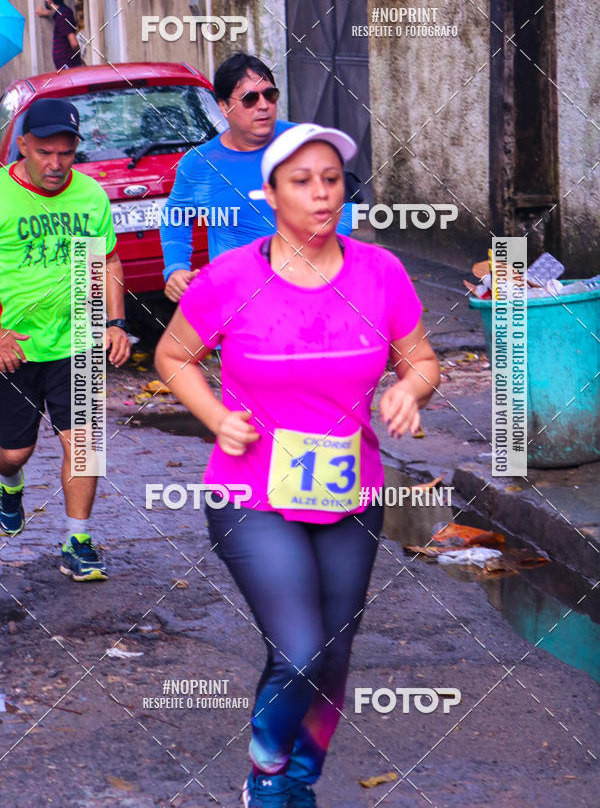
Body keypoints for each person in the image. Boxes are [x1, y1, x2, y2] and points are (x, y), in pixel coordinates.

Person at [155, 123, 440, 806]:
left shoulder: (380, 272)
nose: (321, 194)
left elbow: (422, 358)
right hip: (252, 493)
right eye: (302, 181)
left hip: (351, 493)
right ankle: (265, 777)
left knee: (334, 654)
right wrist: (217, 417)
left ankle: (300, 783)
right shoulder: (231, 277)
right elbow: (173, 356)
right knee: (303, 651)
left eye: (332, 180)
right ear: (271, 195)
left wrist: (409, 387)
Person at [0, 98, 130, 580]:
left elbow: (108, 260)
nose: (55, 164)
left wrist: (114, 324)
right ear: (23, 146)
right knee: (14, 451)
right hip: (15, 345)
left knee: (85, 443)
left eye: (66, 153)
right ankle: (9, 483)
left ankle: (78, 540)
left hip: (78, 336)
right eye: (45, 152)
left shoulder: (91, 196)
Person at [159, 52, 354, 303]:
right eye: (250, 98)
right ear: (223, 107)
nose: (263, 105)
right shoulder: (199, 164)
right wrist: (175, 267)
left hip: (312, 297)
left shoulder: (305, 142)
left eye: (270, 95)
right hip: (237, 307)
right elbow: (175, 217)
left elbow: (344, 203)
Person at [35, 0, 83, 70]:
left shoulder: (63, 15)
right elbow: (56, 13)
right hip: (66, 65)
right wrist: (45, 12)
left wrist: (77, 60)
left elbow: (74, 43)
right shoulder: (62, 12)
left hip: (68, 66)